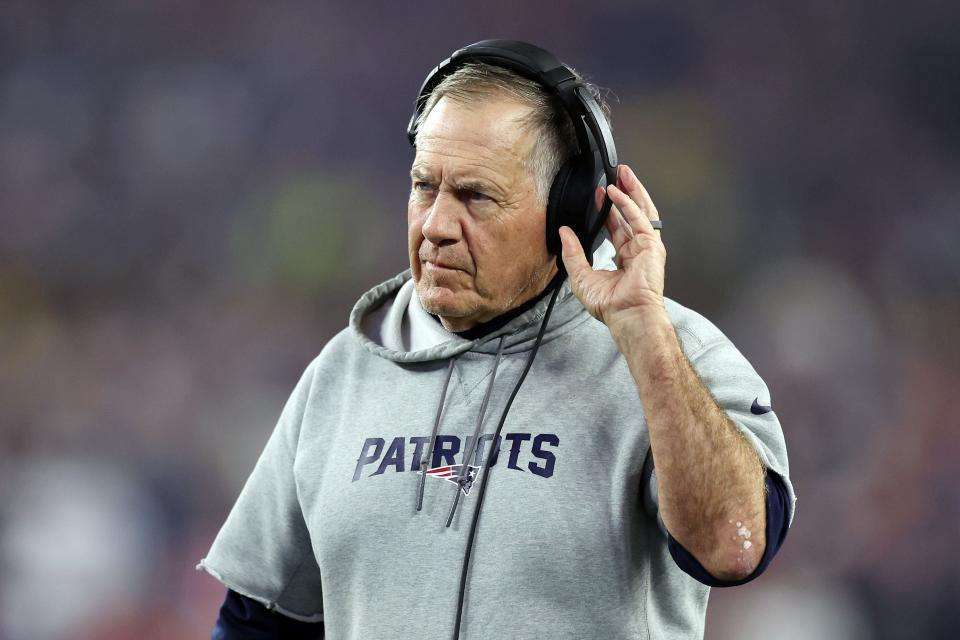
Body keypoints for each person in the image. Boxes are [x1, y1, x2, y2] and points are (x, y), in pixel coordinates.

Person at [198, 40, 795, 640]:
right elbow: (258, 624)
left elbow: (732, 548)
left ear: (570, 211)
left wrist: (645, 339)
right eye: (424, 186)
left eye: (475, 196)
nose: (436, 226)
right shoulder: (343, 372)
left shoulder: (673, 354)